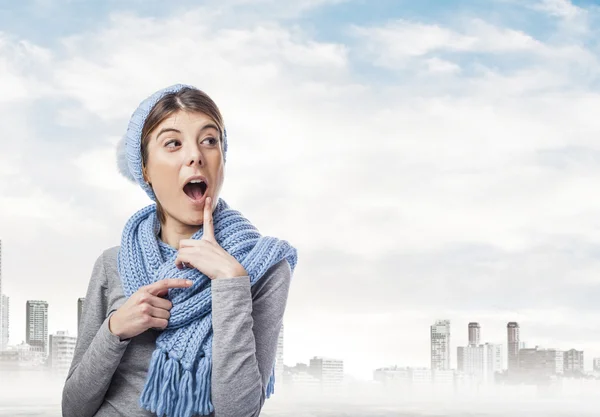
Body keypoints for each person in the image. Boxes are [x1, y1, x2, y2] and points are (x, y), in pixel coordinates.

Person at [61, 84, 298, 417]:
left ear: (222, 159)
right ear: (144, 168)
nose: (196, 155)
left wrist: (231, 283)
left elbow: (239, 411)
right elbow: (73, 409)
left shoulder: (263, 266)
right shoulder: (112, 264)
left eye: (209, 140)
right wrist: (116, 328)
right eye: (173, 143)